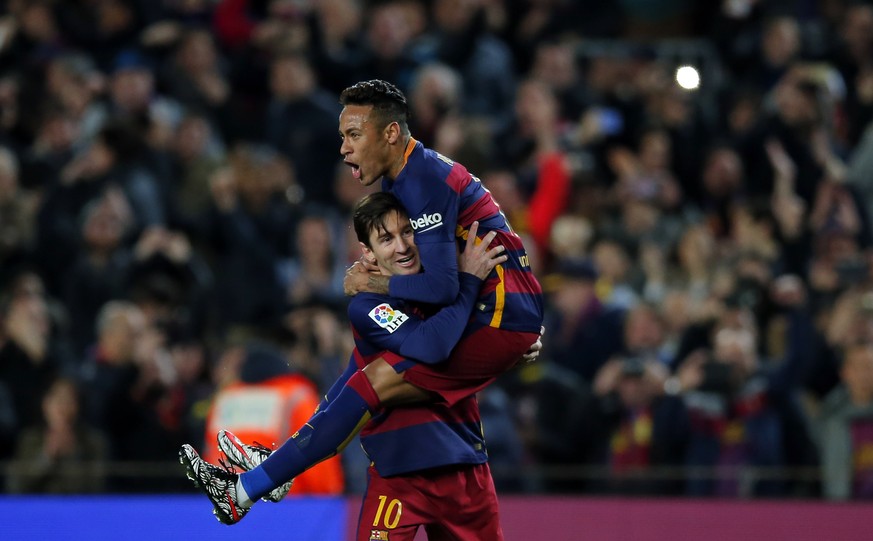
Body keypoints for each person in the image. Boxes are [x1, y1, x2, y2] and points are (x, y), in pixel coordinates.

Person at [180, 79, 543, 523]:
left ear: (390, 134)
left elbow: (447, 287)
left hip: (496, 314)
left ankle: (249, 487)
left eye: (353, 135)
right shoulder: (407, 174)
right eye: (341, 137)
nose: (344, 149)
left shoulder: (422, 179)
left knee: (369, 384)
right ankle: (262, 476)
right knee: (356, 375)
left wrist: (378, 286)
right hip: (494, 312)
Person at [220, 192, 510, 538]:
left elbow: (502, 334)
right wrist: (470, 284)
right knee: (362, 384)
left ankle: (258, 479)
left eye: (407, 232)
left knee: (357, 385)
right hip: (398, 477)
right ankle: (257, 480)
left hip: (464, 470)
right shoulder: (369, 306)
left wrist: (516, 342)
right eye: (386, 239)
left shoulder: (447, 286)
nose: (402, 246)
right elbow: (433, 346)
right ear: (368, 253)